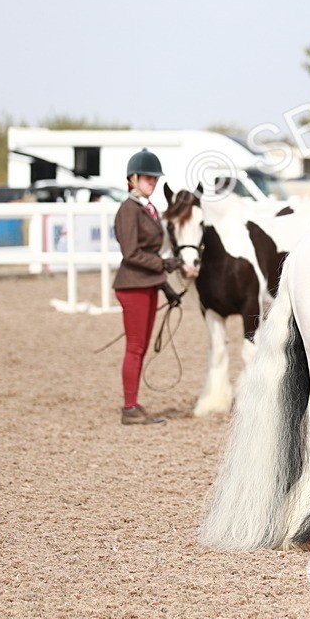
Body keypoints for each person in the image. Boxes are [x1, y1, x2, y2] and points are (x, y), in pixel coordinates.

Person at [113, 149, 194, 425]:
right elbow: (131, 254)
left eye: (154, 179)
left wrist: (166, 289)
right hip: (132, 286)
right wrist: (165, 265)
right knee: (135, 347)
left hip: (146, 284)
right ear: (132, 179)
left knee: (141, 347)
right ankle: (129, 407)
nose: (152, 182)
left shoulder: (147, 209)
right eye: (147, 178)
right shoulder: (128, 210)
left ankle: (133, 404)